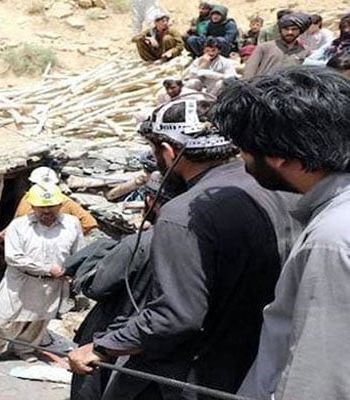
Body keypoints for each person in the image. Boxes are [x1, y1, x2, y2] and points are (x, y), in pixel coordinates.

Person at [67, 95, 299, 399]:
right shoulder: (275, 188)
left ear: (169, 150)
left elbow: (176, 316)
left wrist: (100, 348)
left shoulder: (185, 213)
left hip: (192, 378)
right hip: (258, 368)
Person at [211, 66, 350, 400]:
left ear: (279, 158)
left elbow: (319, 380)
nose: (241, 159)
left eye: (244, 149)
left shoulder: (331, 241)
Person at [66, 172, 183, 400]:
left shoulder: (139, 243)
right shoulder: (199, 238)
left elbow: (95, 286)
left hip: (117, 336)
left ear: (150, 200)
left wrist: (99, 253)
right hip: (166, 343)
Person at [0, 184, 83, 365]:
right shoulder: (19, 226)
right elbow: (14, 257)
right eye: (41, 207)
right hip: (21, 282)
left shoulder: (72, 224)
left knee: (38, 322)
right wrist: (48, 268)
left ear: (60, 205)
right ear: (32, 207)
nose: (46, 211)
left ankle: (24, 349)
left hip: (52, 285)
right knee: (4, 321)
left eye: (51, 206)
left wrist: (73, 272)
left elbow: (78, 252)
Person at [13, 166, 98, 235]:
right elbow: (17, 220)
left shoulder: (64, 201)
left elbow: (89, 223)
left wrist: (68, 238)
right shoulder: (27, 198)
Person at [243, 12, 311, 79]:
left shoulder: (305, 51)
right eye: (286, 29)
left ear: (300, 31)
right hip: (262, 87)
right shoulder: (264, 47)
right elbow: (249, 71)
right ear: (280, 30)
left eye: (294, 29)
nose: (290, 32)